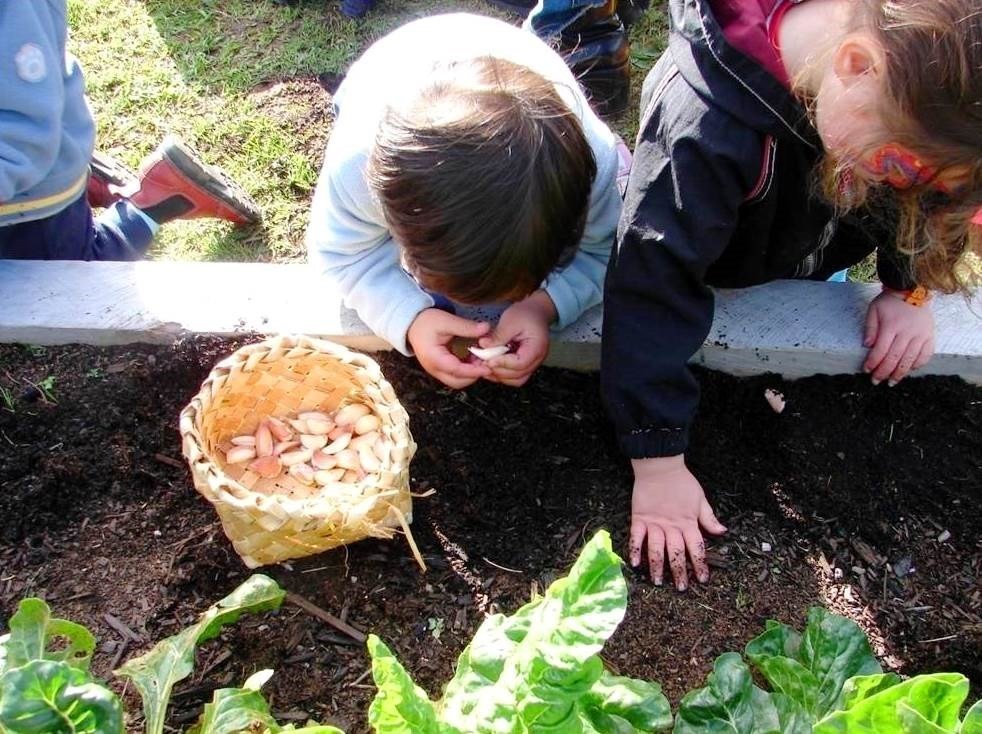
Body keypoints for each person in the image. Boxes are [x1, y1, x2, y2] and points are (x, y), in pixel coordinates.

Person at [602, 0, 981, 590]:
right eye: (896, 168)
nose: (897, 186)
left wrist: (908, 288)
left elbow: (926, 199)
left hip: (800, 248)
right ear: (856, 65)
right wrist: (657, 460)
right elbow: (652, 287)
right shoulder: (701, 131)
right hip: (712, 258)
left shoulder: (885, 104)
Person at [306, 13, 627, 389]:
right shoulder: (356, 170)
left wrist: (542, 306)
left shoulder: (595, 164)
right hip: (383, 73)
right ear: (395, 219)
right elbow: (344, 255)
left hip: (519, 64)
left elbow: (604, 249)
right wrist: (410, 319)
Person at [1, 3, 260, 262]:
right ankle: (89, 182)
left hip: (28, 188)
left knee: (71, 280)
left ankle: (155, 199)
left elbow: (24, 126)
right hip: (24, 167)